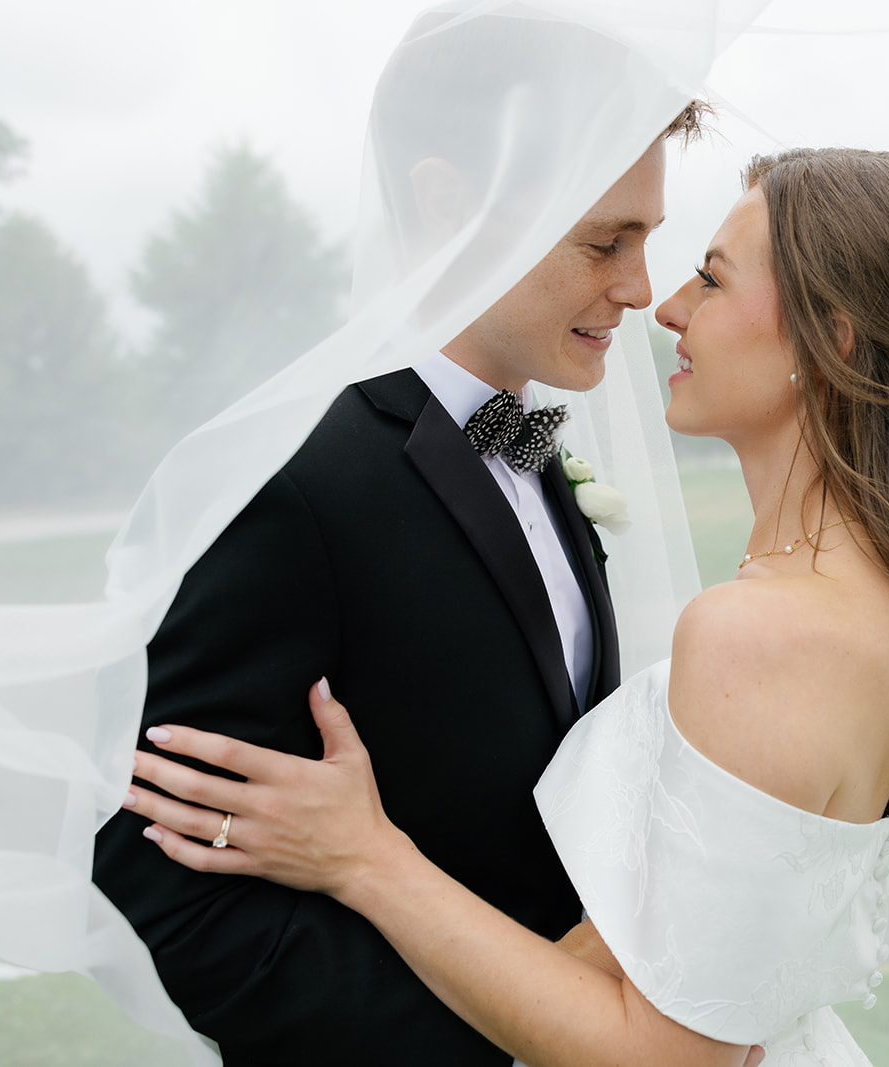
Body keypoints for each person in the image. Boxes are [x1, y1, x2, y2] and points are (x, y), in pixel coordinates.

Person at [122, 146, 889, 1065]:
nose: (655, 300)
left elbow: (664, 1048)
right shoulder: (862, 595)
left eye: (706, 276)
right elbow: (162, 848)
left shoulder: (769, 629)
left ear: (834, 339)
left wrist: (364, 856)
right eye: (607, 242)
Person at [91, 9, 714, 1063]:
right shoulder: (288, 480)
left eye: (647, 239)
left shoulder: (523, 436)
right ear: (446, 205)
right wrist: (504, 1041)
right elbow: (165, 877)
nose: (639, 289)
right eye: (605, 240)